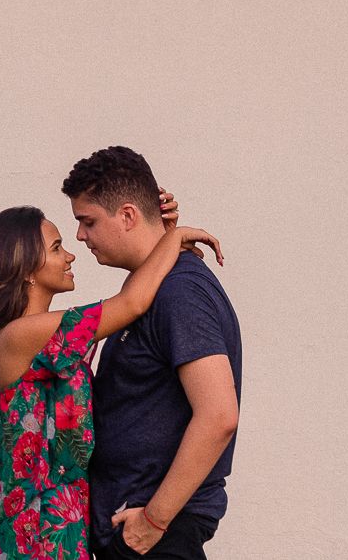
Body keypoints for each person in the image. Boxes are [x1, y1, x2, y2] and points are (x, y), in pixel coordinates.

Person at [0, 197, 222, 560]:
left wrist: (154, 232)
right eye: (56, 248)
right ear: (26, 269)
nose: (70, 255)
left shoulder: (55, 338)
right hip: (36, 535)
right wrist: (171, 238)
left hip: (66, 526)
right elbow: (131, 303)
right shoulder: (18, 336)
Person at [64, 147, 242, 560]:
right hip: (132, 532)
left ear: (127, 215)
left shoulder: (180, 293)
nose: (80, 237)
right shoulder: (148, 291)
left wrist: (154, 522)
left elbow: (219, 415)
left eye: (88, 221)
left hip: (154, 536)